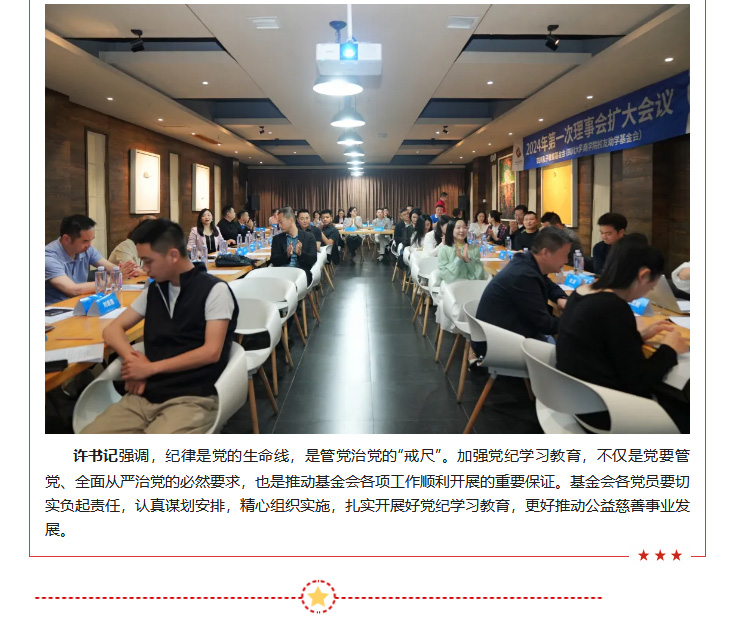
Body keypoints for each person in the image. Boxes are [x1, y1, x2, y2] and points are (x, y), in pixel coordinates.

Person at [80, 219, 239, 434]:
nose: (144, 268)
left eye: (148, 261)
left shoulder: (214, 291)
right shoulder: (155, 291)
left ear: (173, 255)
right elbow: (112, 330)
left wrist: (150, 368)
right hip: (145, 395)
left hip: (193, 397)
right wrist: (134, 361)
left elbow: (211, 352)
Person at [556, 236, 690, 433]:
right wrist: (669, 349)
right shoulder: (613, 308)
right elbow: (639, 382)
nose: (649, 291)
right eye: (652, 285)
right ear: (644, 275)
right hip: (609, 413)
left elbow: (600, 343)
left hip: (577, 401)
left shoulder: (582, 292)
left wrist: (637, 337)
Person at [471, 227, 573, 359]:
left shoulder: (527, 262)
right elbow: (545, 325)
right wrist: (576, 320)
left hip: (506, 332)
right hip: (497, 344)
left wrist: (561, 297)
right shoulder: (523, 276)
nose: (566, 260)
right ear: (546, 253)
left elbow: (547, 283)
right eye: (564, 254)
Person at [45, 214, 137, 304]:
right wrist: (113, 279)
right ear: (67, 239)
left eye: (91, 240)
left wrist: (122, 271)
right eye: (85, 241)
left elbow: (109, 267)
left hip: (80, 302)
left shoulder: (87, 249)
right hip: (56, 308)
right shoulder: (48, 257)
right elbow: (73, 290)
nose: (89, 245)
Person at [270, 207, 318, 285]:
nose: (279, 225)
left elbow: (313, 259)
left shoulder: (309, 237)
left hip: (300, 275)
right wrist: (286, 255)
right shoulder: (277, 239)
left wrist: (301, 253)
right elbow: (273, 260)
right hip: (282, 275)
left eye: (281, 222)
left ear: (291, 220)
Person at [437, 218, 486, 285]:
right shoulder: (444, 250)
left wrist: (467, 260)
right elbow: (445, 275)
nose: (462, 230)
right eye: (458, 228)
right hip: (451, 288)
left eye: (464, 227)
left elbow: (480, 275)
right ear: (451, 230)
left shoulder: (474, 249)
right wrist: (458, 259)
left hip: (472, 286)